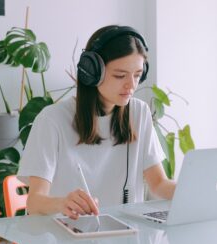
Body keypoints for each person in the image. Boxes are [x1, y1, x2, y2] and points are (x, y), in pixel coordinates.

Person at [17, 25, 176, 220]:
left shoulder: (139, 113)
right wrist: (62, 203)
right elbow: (34, 202)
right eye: (120, 75)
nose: (131, 85)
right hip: (65, 236)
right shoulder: (52, 120)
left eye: (137, 75)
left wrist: (195, 191)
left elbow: (158, 184)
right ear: (91, 72)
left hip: (125, 238)